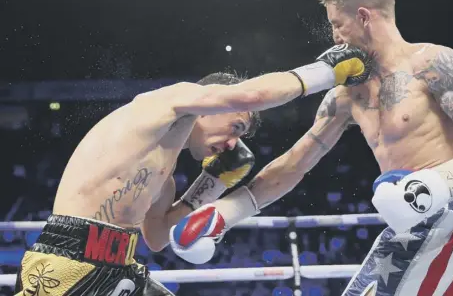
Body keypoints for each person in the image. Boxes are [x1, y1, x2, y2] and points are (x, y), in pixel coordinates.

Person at [172, 0, 453, 296]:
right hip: (404, 226)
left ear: (365, 17)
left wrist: (431, 188)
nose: (335, 38)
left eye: (338, 25)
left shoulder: (433, 65)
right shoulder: (345, 95)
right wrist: (226, 213)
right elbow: (295, 164)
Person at [13, 45, 371, 296]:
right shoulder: (166, 102)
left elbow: (156, 237)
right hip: (65, 262)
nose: (234, 143)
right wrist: (326, 71)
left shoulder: (162, 178)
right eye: (237, 127)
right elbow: (252, 96)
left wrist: (212, 182)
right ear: (213, 102)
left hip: (118, 270)